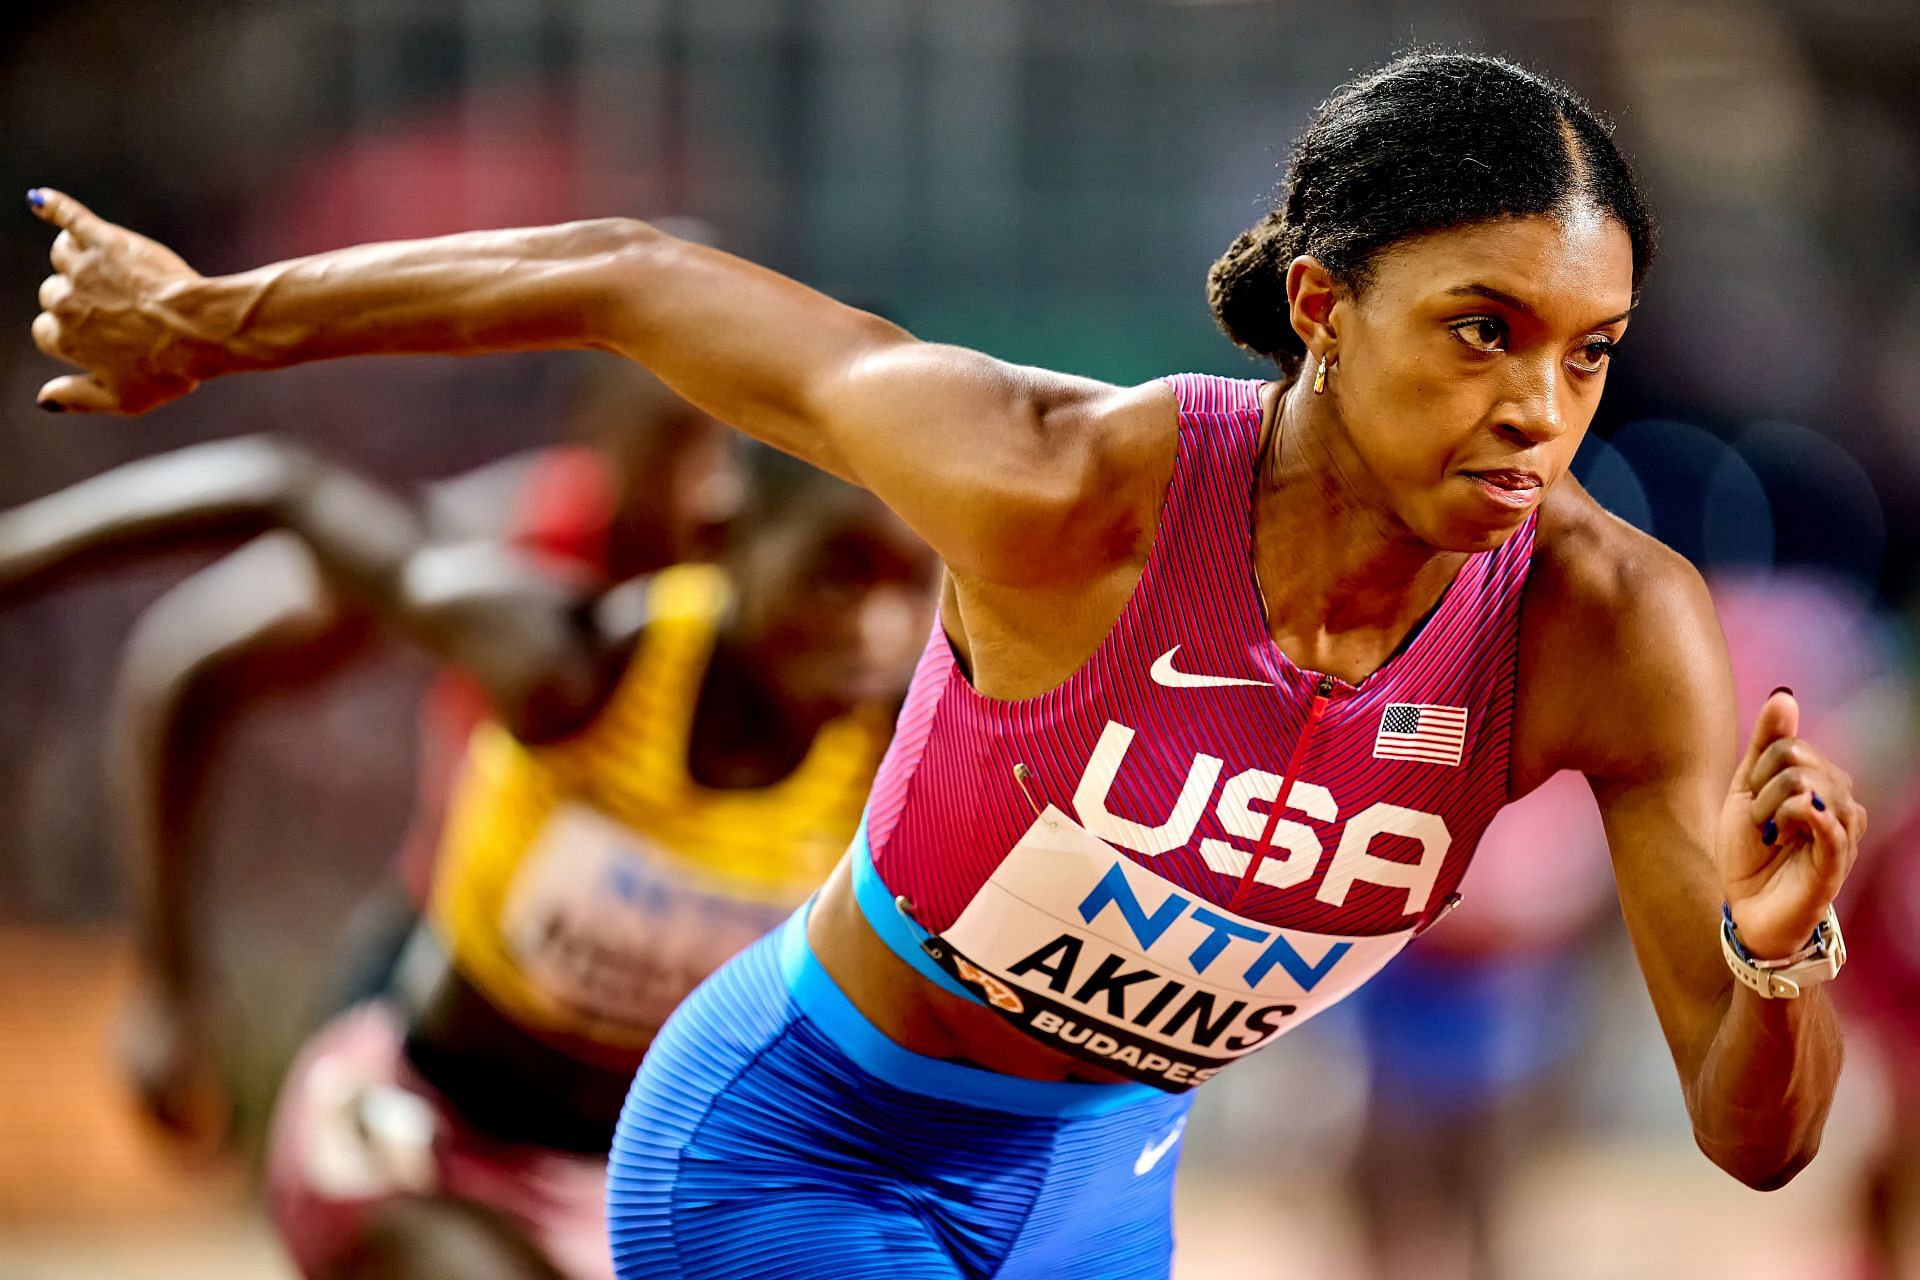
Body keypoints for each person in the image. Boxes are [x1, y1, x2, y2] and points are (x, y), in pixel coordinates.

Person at [24, 50, 1870, 1280]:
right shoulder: (1069, 486)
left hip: (1099, 1185)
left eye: (1588, 353)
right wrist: (206, 322)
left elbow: (1755, 1146)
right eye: (1484, 331)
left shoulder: (1612, 629)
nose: (1538, 413)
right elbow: (620, 275)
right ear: (1323, 301)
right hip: (800, 1140)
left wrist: (1777, 953)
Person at [0, 434, 937, 1278]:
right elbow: (286, 489)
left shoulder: (894, 744)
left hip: (618, 1196)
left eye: (911, 584)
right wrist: (22, 552)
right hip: (419, 1145)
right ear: (726, 534)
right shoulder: (573, 668)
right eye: (836, 575)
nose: (877, 630)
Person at [100, 360, 739, 1152]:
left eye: (741, 447)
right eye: (679, 441)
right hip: (443, 1001)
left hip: (671, 1029)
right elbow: (189, 667)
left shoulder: (804, 604)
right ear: (598, 432)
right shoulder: (490, 546)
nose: (712, 489)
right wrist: (169, 985)